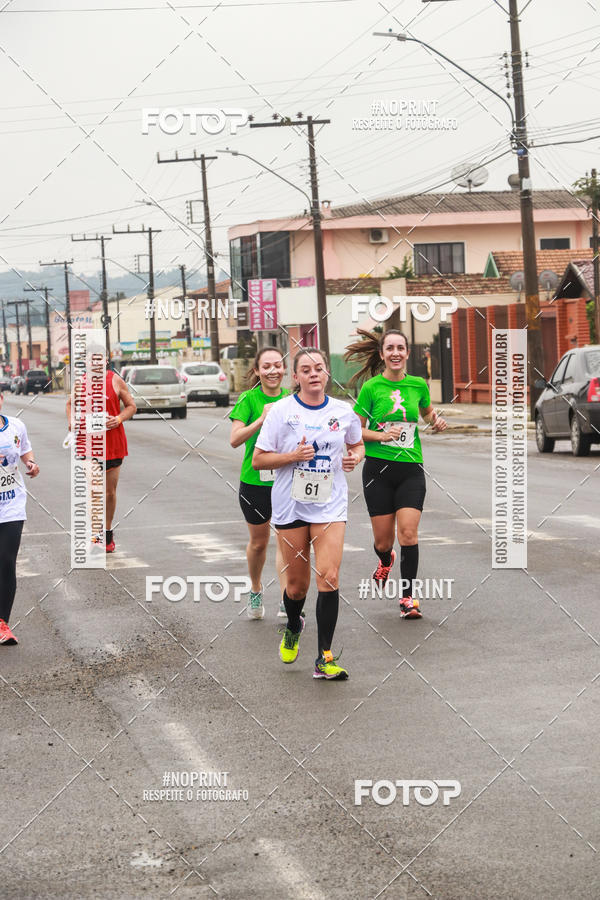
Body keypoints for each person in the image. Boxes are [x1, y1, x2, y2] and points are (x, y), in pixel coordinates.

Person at [253, 348, 364, 680]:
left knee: (329, 575)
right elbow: (259, 459)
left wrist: (355, 458)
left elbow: (357, 445)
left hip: (330, 504)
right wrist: (293, 456)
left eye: (319, 368)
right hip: (291, 504)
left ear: (327, 373)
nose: (313, 373)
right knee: (297, 587)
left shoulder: (344, 412)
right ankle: (293, 624)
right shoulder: (281, 412)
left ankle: (324, 658)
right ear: (296, 377)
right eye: (306, 369)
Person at [345, 329, 446, 619]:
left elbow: (427, 413)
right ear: (382, 354)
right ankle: (385, 559)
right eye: (390, 348)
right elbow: (353, 431)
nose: (395, 353)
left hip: (411, 469)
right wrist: (381, 435)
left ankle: (408, 598)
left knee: (409, 534)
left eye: (400, 348)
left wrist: (436, 421)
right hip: (378, 471)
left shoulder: (418, 384)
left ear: (407, 353)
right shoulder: (371, 388)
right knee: (383, 542)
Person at [229, 347, 289, 619]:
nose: (272, 371)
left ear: (284, 369)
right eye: (266, 366)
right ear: (257, 371)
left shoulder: (292, 399)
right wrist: (262, 419)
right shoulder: (249, 399)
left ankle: (287, 598)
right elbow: (235, 439)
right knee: (259, 543)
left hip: (287, 481)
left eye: (277, 365)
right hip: (255, 483)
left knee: (286, 541)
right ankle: (255, 588)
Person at [66, 364, 136, 552]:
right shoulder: (80, 382)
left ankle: (107, 533)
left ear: (105, 359)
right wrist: (71, 421)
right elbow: (70, 404)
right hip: (88, 444)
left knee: (109, 492)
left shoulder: (115, 380)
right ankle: (97, 535)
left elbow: (131, 406)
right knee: (95, 491)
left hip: (113, 444)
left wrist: (119, 418)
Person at [0, 389, 40, 645]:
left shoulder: (16, 426)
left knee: (6, 561)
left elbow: (25, 450)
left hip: (11, 504)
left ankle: (2, 623)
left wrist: (31, 463)